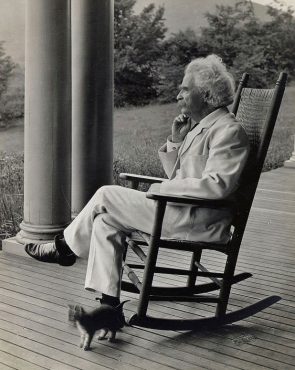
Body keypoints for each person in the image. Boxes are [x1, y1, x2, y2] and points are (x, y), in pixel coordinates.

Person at [25, 54, 250, 309]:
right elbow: (181, 176)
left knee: (106, 195)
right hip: (181, 211)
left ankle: (64, 247)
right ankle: (109, 307)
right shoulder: (201, 127)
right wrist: (177, 141)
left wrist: (163, 189)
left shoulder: (228, 131)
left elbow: (217, 186)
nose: (178, 96)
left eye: (185, 89)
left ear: (207, 94)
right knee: (104, 221)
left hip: (199, 221)